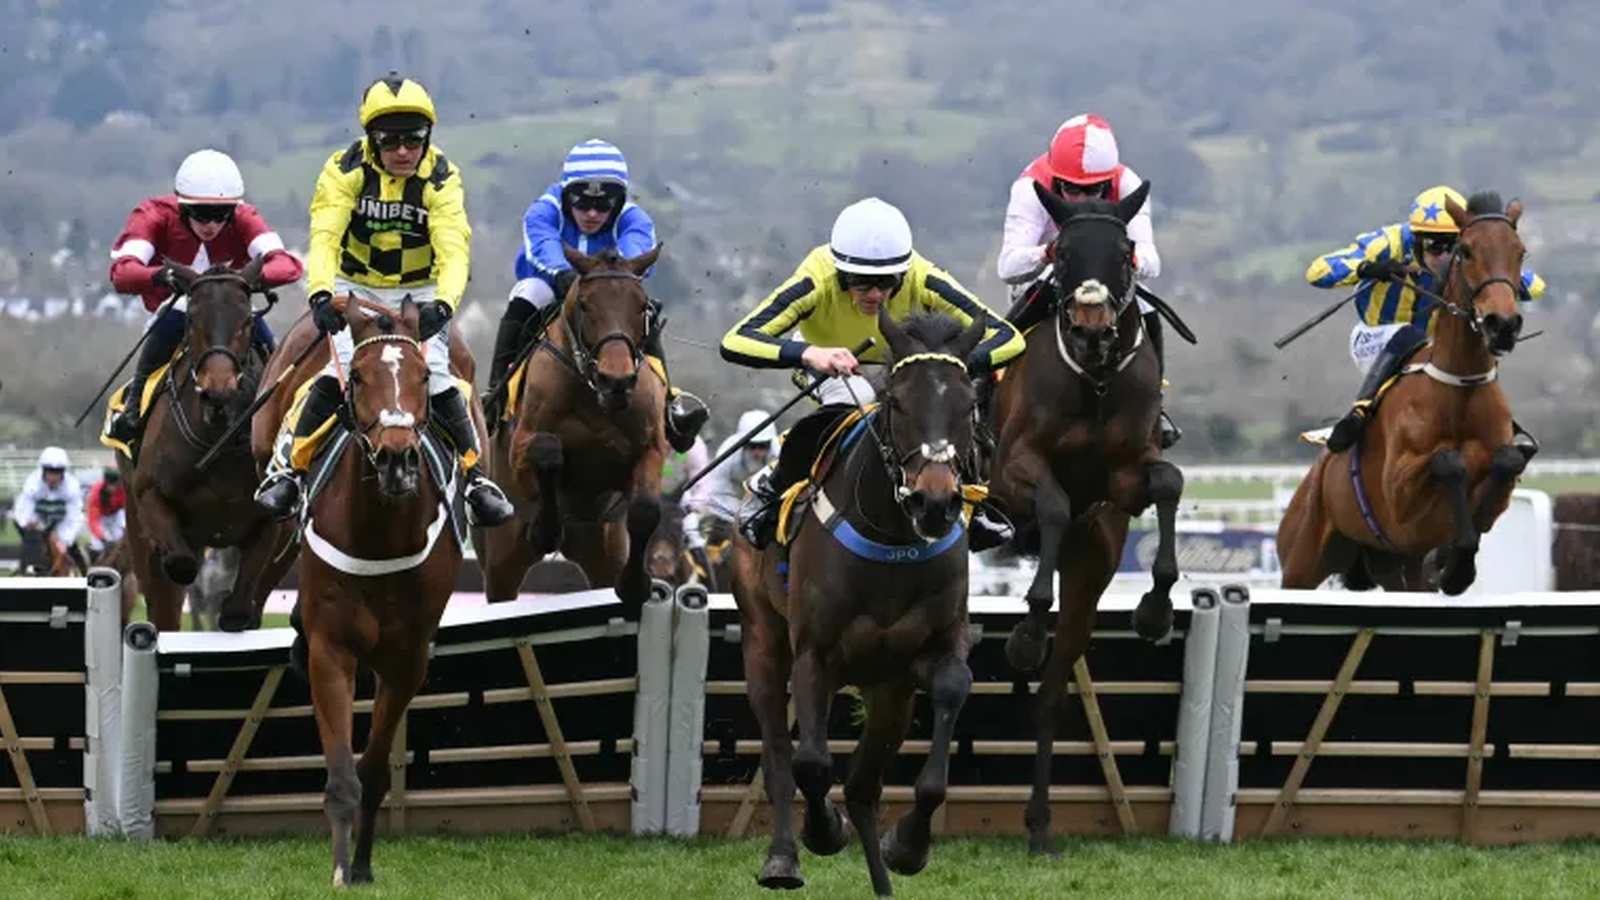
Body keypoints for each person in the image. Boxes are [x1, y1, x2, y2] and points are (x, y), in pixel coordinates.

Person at [253, 72, 513, 526]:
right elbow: (325, 236)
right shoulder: (344, 169)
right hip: (356, 286)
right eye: (390, 141)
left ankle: (476, 481)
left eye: (413, 140)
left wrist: (444, 304)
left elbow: (454, 247)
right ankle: (289, 471)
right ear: (372, 140)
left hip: (421, 288)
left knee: (437, 373)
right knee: (340, 373)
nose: (403, 152)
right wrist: (320, 294)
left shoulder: (442, 176)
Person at [721, 197, 1025, 551]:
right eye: (861, 283)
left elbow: (1009, 338)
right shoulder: (816, 278)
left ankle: (971, 500)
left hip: (902, 364)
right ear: (840, 274)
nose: (877, 294)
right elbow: (735, 340)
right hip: (831, 360)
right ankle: (772, 488)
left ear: (903, 273)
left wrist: (950, 365)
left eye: (887, 283)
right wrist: (811, 354)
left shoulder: (923, 276)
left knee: (946, 401)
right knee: (859, 398)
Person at [484, 139, 708, 449]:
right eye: (581, 204)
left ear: (618, 202)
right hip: (554, 285)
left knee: (644, 310)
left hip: (604, 297)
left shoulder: (635, 219)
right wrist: (563, 273)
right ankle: (495, 393)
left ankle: (670, 409)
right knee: (528, 292)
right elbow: (542, 246)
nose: (591, 214)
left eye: (603, 206)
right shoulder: (543, 210)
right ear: (566, 195)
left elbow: (634, 256)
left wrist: (610, 282)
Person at [1305, 185, 1545, 454]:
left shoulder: (1466, 255)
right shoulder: (1387, 243)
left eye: (1451, 246)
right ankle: (1358, 413)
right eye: (1434, 246)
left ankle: (1501, 426)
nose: (1443, 257)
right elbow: (1317, 271)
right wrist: (1367, 268)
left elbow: (1535, 286)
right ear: (1416, 239)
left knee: (1474, 339)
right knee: (1409, 336)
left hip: (1433, 347)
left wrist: (1502, 284)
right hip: (1376, 339)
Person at [997, 113, 1180, 448]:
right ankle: (986, 394)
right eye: (1071, 189)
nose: (1082, 200)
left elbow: (1152, 261)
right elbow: (1008, 266)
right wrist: (1047, 254)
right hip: (1050, 274)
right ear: (1055, 180)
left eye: (1093, 190)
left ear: (1108, 182)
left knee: (1146, 305)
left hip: (1108, 278)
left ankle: (1156, 404)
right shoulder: (1028, 189)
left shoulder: (1128, 184)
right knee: (1010, 325)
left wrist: (1130, 258)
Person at [105, 149, 304, 443]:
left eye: (221, 215)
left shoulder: (246, 217)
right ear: (182, 207)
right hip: (180, 307)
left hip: (231, 309)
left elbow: (289, 265)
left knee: (270, 351)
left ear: (233, 210)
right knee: (165, 327)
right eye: (201, 214)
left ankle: (284, 418)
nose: (211, 224)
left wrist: (246, 281)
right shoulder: (152, 215)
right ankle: (133, 412)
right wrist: (160, 275)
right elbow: (122, 273)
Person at [683, 410, 776, 554]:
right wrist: (741, 516)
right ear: (742, 444)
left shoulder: (779, 455)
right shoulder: (727, 454)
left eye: (763, 446)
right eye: (752, 446)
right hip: (731, 503)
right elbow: (717, 494)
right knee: (715, 542)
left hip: (764, 504)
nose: (758, 453)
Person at [10, 447, 87, 574]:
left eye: (57, 472)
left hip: (62, 527)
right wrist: (28, 523)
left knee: (77, 554)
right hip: (38, 527)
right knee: (29, 546)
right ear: (43, 471)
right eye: (50, 471)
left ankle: (85, 576)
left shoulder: (72, 487)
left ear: (63, 472)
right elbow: (23, 508)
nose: (53, 476)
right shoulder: (32, 484)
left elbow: (75, 517)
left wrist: (64, 540)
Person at [86, 467, 127, 559]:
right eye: (110, 484)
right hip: (101, 517)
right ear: (105, 482)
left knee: (119, 538)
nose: (113, 488)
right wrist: (103, 539)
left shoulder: (124, 490)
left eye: (116, 484)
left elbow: (128, 512)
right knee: (98, 545)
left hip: (117, 515)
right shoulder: (96, 493)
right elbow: (93, 520)